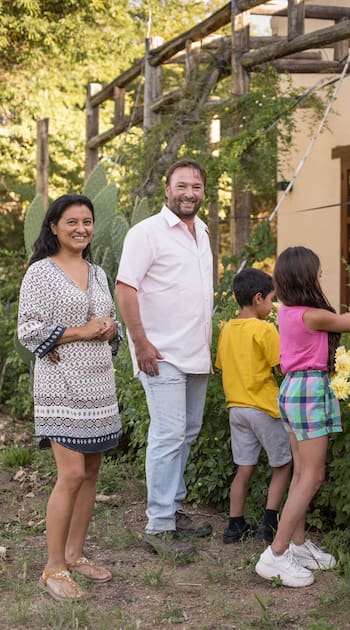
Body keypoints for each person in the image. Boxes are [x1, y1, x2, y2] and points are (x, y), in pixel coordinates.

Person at [255, 246, 350, 588]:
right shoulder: (310, 314)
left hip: (294, 389)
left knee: (300, 475)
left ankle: (297, 545)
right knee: (313, 475)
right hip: (307, 390)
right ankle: (275, 555)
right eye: (317, 272)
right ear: (304, 277)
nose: (321, 276)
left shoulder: (288, 311)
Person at [17, 194, 122, 601]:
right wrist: (80, 331)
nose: (81, 229)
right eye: (72, 222)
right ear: (54, 227)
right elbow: (28, 330)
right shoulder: (41, 273)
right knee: (72, 474)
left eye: (88, 222)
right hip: (59, 384)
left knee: (92, 471)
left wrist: (111, 329)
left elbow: (110, 325)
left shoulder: (97, 272)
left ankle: (75, 555)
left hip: (99, 384)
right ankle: (53, 566)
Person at [115, 158, 213, 558]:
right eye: (182, 186)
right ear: (167, 188)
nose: (189, 193)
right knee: (168, 436)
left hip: (196, 353)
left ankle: (172, 509)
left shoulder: (203, 231)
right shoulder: (147, 233)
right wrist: (141, 344)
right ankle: (158, 526)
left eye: (197, 187)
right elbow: (125, 288)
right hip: (161, 354)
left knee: (186, 434)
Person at [215, 268, 292, 544]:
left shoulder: (227, 330)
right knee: (282, 465)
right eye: (271, 300)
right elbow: (282, 365)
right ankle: (268, 524)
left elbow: (222, 366)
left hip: (236, 408)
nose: (272, 307)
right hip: (263, 407)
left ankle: (234, 525)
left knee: (244, 467)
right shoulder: (264, 329)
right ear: (258, 298)